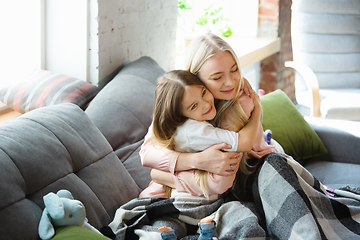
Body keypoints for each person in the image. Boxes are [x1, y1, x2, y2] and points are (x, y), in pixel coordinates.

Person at [140, 32, 283, 200]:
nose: (230, 82)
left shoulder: (241, 102)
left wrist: (161, 175)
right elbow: (148, 153)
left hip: (228, 183)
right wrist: (197, 160)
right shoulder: (181, 100)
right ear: (195, 78)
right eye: (217, 77)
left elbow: (218, 180)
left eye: (234, 70)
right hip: (184, 188)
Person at [140, 69, 262, 199]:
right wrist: (258, 109)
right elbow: (146, 155)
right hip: (167, 196)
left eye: (204, 93)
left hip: (190, 190)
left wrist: (236, 82)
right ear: (179, 115)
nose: (205, 105)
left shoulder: (195, 96)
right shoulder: (192, 128)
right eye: (193, 106)